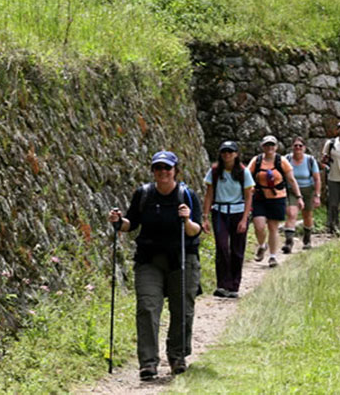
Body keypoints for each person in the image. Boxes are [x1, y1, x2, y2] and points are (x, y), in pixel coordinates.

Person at [108, 150, 202, 381]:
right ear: (153, 171)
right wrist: (118, 222)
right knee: (147, 308)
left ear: (175, 171)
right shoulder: (144, 195)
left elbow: (195, 230)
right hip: (149, 259)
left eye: (167, 168)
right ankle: (148, 363)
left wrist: (187, 219)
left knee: (182, 309)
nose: (162, 172)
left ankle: (177, 356)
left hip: (182, 259)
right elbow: (131, 225)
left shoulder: (187, 195)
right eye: (158, 168)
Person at [201, 140, 254, 299]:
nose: (227, 155)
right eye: (224, 152)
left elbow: (248, 195)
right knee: (222, 248)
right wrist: (205, 217)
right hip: (220, 212)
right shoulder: (215, 171)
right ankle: (222, 285)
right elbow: (209, 194)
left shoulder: (243, 172)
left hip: (238, 212)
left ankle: (234, 286)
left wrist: (244, 219)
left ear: (236, 154)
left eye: (230, 152)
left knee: (237, 250)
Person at [248, 135, 304, 268]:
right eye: (267, 145)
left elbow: (291, 180)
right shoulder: (256, 161)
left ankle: (272, 257)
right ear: (262, 147)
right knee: (259, 226)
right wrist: (249, 189)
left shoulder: (281, 161)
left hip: (277, 198)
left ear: (276, 147)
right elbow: (247, 176)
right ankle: (262, 245)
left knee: (273, 228)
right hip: (260, 197)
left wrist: (299, 197)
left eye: (272, 145)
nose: (269, 148)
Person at [285, 137, 322, 252]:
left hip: (308, 190)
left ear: (304, 148)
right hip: (292, 190)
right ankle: (289, 242)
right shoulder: (287, 159)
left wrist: (317, 195)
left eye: (300, 146)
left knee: (307, 215)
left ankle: (307, 239)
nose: (298, 148)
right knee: (292, 214)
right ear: (292, 147)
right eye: (295, 145)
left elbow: (317, 179)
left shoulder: (310, 160)